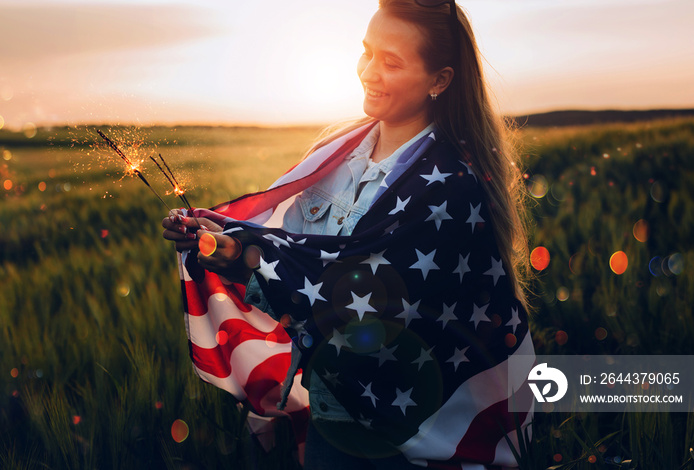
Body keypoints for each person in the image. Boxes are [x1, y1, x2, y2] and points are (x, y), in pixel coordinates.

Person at [162, 0, 534, 468]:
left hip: (411, 436)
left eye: (392, 62)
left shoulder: (453, 187)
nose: (369, 72)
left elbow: (359, 294)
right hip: (332, 414)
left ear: (440, 80)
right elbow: (293, 248)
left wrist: (246, 253)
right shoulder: (335, 152)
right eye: (367, 52)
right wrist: (221, 237)